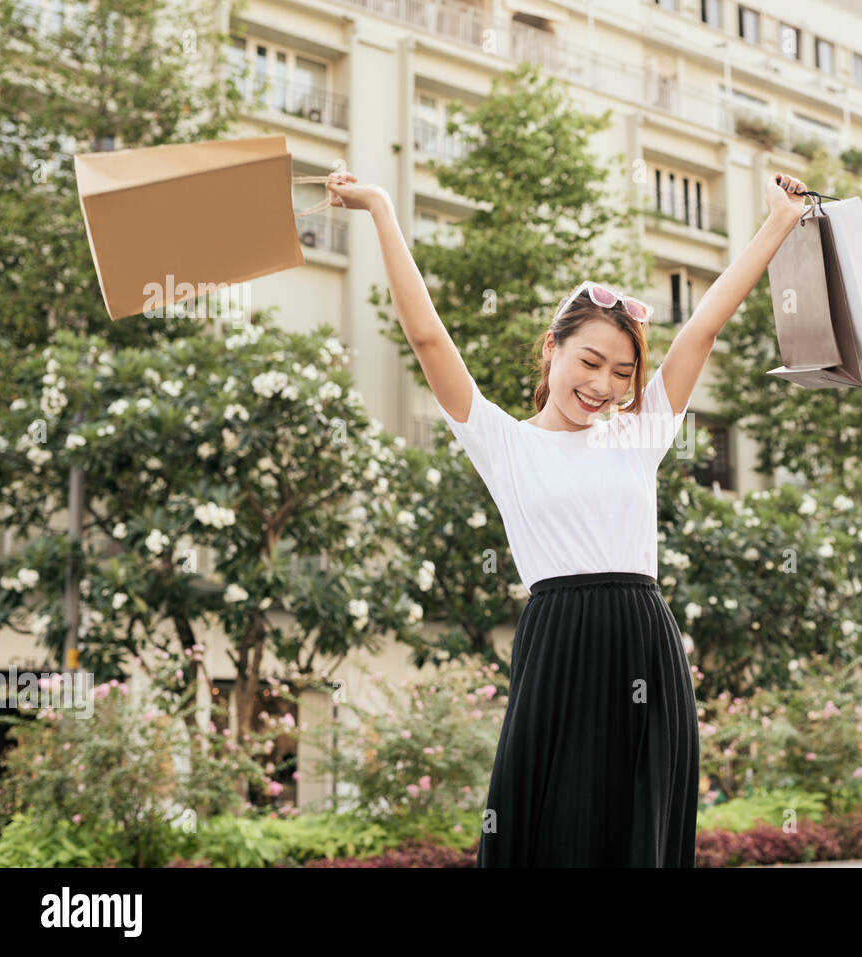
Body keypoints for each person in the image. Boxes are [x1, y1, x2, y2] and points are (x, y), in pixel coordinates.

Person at [326, 168, 811, 866]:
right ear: (551, 349)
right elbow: (429, 339)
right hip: (558, 641)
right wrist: (378, 208)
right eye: (591, 360)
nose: (605, 385)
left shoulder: (639, 432)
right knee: (551, 824)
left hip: (643, 637)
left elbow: (703, 327)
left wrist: (777, 223)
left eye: (622, 373)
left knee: (638, 825)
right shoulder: (504, 441)